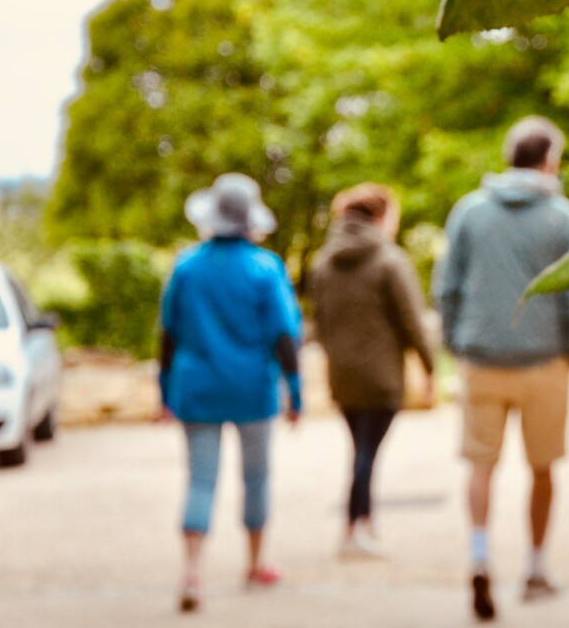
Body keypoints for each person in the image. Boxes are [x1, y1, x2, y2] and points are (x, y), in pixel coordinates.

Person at [433, 116, 569, 621]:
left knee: (480, 463)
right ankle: (535, 568)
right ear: (549, 159)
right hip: (543, 361)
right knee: (542, 467)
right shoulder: (565, 217)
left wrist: (456, 343)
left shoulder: (468, 212)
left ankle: (480, 556)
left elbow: (447, 288)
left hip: (481, 358)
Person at [156, 173, 303, 613]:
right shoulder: (265, 267)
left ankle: (192, 574)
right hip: (253, 390)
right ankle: (255, 564)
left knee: (201, 478)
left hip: (196, 389)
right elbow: (284, 335)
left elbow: (167, 335)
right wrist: (296, 392)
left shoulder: (186, 266)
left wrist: (163, 391)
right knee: (255, 477)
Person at [308, 182, 437, 559]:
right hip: (382, 377)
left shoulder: (322, 262)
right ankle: (354, 527)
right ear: (381, 216)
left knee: (361, 449)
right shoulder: (390, 260)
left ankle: (364, 520)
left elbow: (321, 322)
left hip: (343, 376)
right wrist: (429, 368)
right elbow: (412, 321)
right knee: (367, 453)